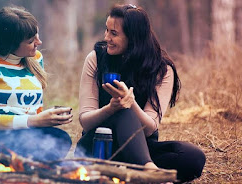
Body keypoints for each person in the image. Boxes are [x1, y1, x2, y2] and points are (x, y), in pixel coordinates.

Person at [76, 4, 206, 183]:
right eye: (107, 30)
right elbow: (86, 121)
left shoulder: (161, 69)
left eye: (114, 33)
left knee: (193, 157)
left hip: (140, 147)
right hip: (99, 147)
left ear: (134, 37)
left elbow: (151, 127)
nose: (107, 38)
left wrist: (132, 103)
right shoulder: (96, 59)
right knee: (121, 110)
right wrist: (111, 108)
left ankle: (135, 172)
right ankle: (149, 172)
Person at [0, 6, 73, 183]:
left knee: (59, 138)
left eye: (37, 36)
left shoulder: (35, 59)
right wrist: (34, 121)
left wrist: (46, 119)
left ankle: (20, 173)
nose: (39, 42)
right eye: (31, 40)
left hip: (17, 139)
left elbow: (34, 111)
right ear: (10, 43)